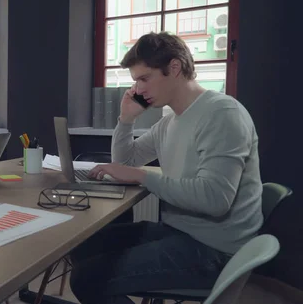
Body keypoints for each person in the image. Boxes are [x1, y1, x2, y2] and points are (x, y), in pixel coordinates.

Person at [69, 32, 263, 304]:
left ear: (174, 68)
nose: (138, 90)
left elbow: (216, 199)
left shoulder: (222, 114)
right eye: (136, 81)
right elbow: (124, 164)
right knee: (83, 244)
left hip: (215, 250)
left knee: (86, 279)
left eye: (144, 78)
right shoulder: (169, 122)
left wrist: (143, 177)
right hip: (181, 232)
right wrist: (126, 121)